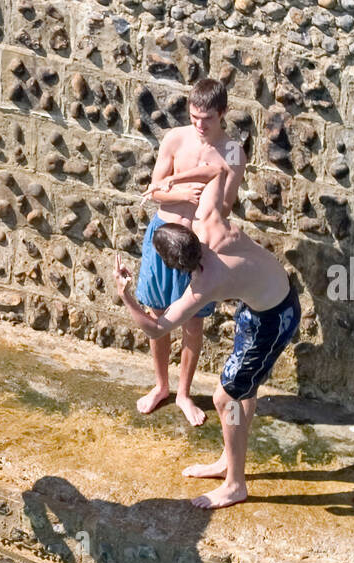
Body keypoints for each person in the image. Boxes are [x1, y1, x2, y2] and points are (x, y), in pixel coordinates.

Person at [116, 159, 301, 510]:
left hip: (276, 319)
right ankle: (230, 460)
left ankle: (235, 485)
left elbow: (156, 327)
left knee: (225, 397)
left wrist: (126, 295)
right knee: (243, 389)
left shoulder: (203, 285)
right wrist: (176, 176)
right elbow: (219, 169)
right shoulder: (209, 222)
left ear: (177, 266)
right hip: (265, 302)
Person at [134, 77, 247, 426]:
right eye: (195, 116)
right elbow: (154, 190)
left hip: (198, 244)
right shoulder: (175, 138)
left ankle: (183, 393)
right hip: (163, 237)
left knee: (193, 323)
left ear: (222, 113)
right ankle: (161, 386)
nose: (199, 125)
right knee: (157, 315)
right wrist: (183, 195)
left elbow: (225, 207)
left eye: (207, 119)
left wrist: (209, 198)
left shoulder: (231, 151)